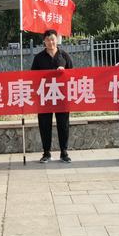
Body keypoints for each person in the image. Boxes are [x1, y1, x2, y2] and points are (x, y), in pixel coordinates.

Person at [31, 29, 74, 163]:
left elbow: (73, 75)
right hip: (45, 97)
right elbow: (33, 76)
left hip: (61, 96)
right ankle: (46, 152)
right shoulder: (38, 58)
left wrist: (64, 72)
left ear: (57, 40)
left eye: (53, 39)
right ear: (44, 41)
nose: (51, 42)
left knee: (63, 124)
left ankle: (64, 152)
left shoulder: (64, 56)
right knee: (44, 124)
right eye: (48, 40)